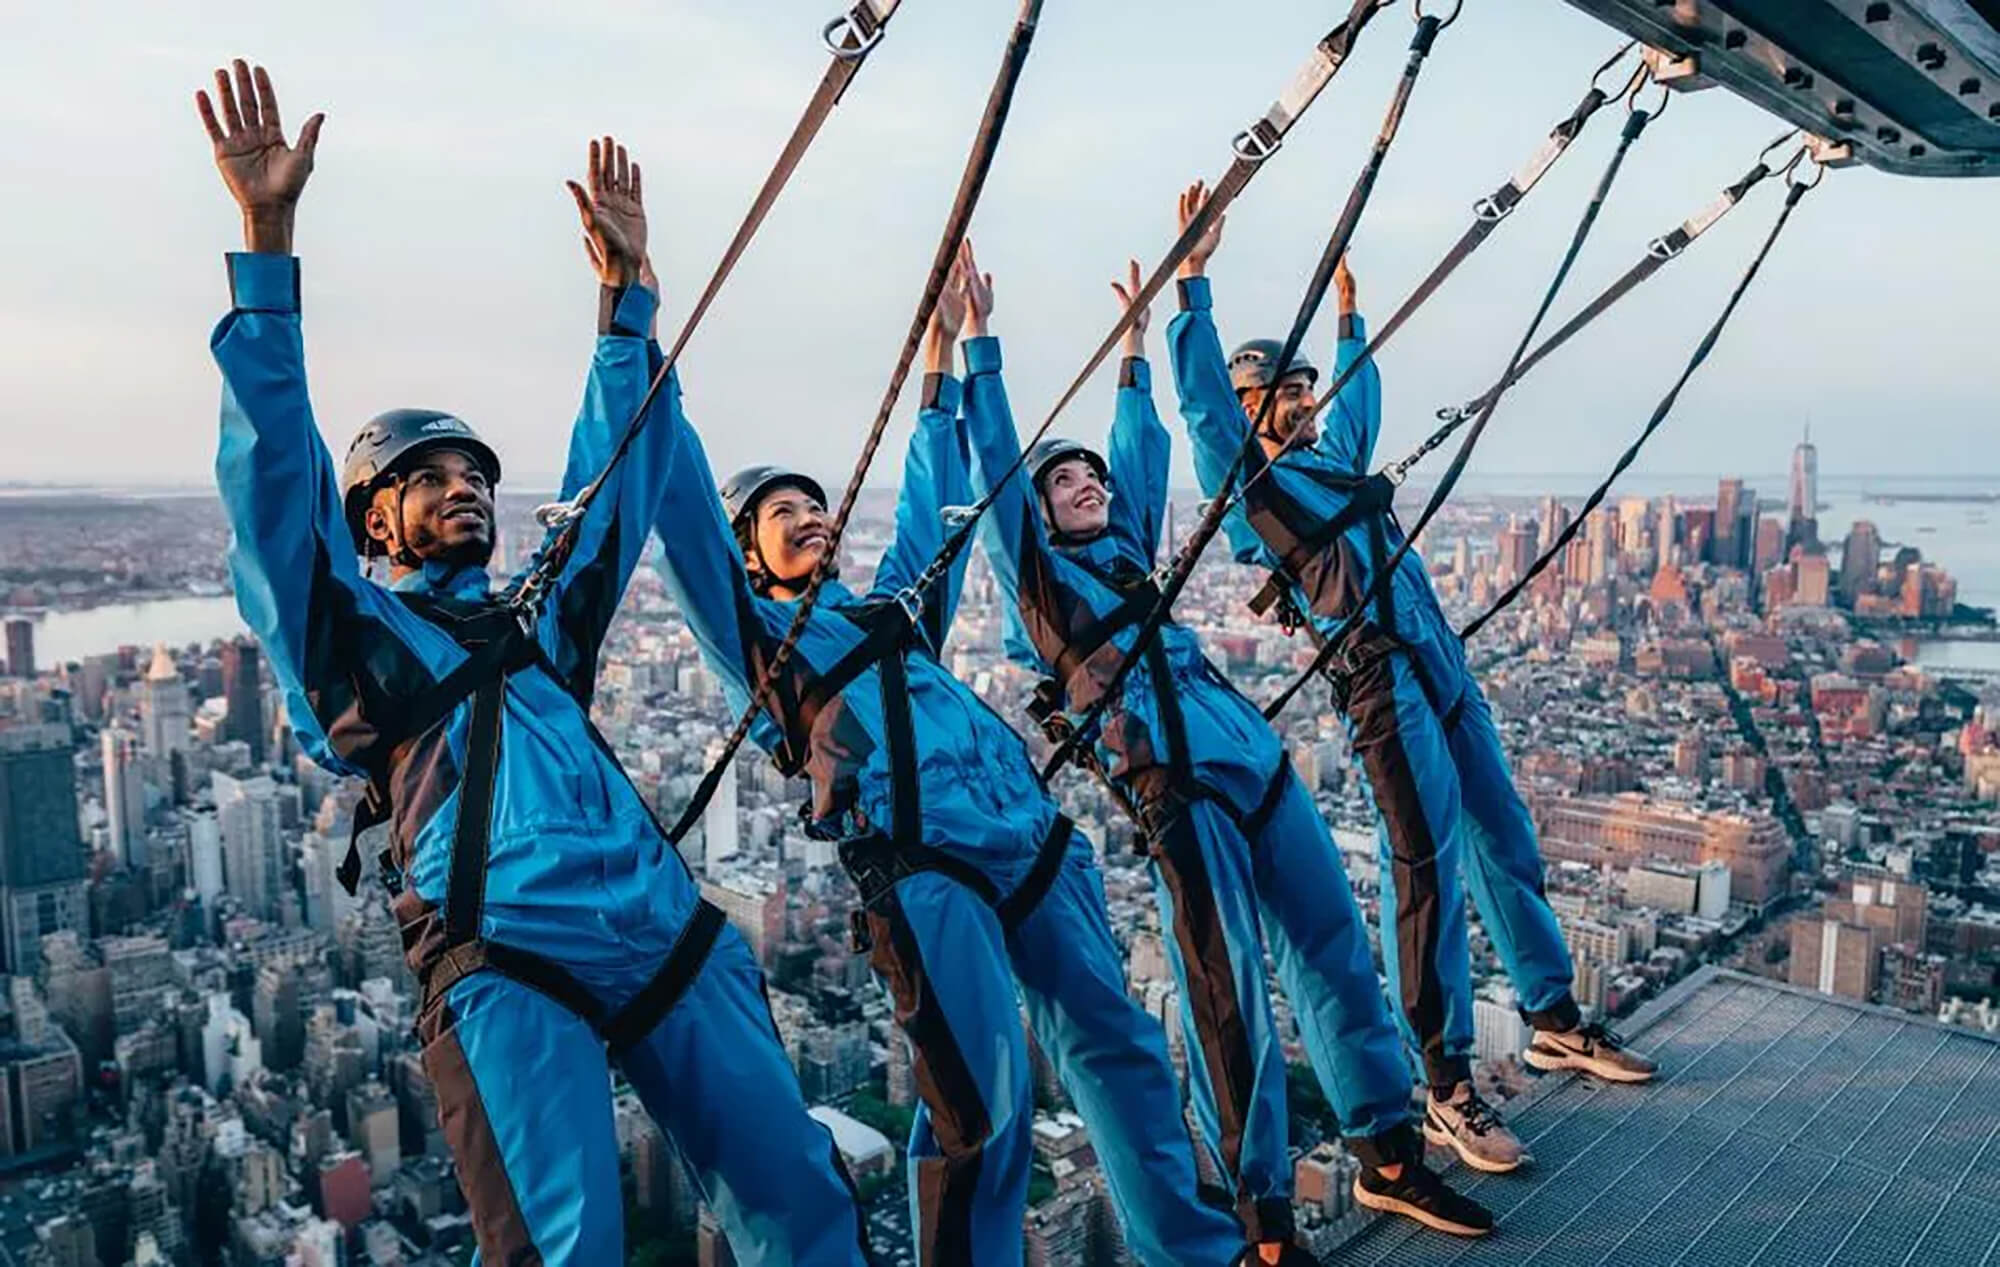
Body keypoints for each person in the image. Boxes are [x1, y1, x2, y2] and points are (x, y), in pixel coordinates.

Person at [200, 61, 867, 1264]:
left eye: (476, 482)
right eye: (431, 479)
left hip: (665, 929)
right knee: (567, 1250)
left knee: (804, 1198)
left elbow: (609, 490)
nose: (465, 491)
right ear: (372, 522)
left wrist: (626, 306)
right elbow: (274, 495)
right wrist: (267, 249)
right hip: (505, 948)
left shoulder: (536, 626)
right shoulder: (361, 644)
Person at [648, 250, 1246, 1266]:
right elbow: (688, 537)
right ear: (748, 552)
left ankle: (1194, 1247)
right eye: (780, 513)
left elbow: (931, 507)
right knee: (986, 1104)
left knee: (1125, 1050)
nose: (809, 515)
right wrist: (647, 349)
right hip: (926, 868)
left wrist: (949, 358)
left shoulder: (892, 614)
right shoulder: (766, 647)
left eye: (815, 503)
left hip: (1030, 841)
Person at [947, 241, 1494, 1249]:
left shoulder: (1127, 553)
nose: (1084, 482)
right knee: (1228, 998)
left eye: (1086, 473)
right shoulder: (1041, 589)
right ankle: (1265, 1224)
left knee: (1333, 953)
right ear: (1034, 509)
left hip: (1256, 767)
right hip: (1179, 794)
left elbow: (1144, 449)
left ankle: (1387, 1156)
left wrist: (1133, 346)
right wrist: (979, 351)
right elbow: (992, 482)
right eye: (1060, 479)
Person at [1163, 180, 1658, 1178]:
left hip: (1436, 659)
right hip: (1379, 682)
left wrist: (1349, 319)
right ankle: (1445, 1085)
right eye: (1280, 395)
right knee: (1424, 867)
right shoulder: (1255, 489)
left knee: (1501, 831)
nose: (1299, 406)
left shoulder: (1333, 465)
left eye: (1302, 392)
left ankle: (1550, 1010)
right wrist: (1192, 287)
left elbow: (1360, 408)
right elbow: (1208, 418)